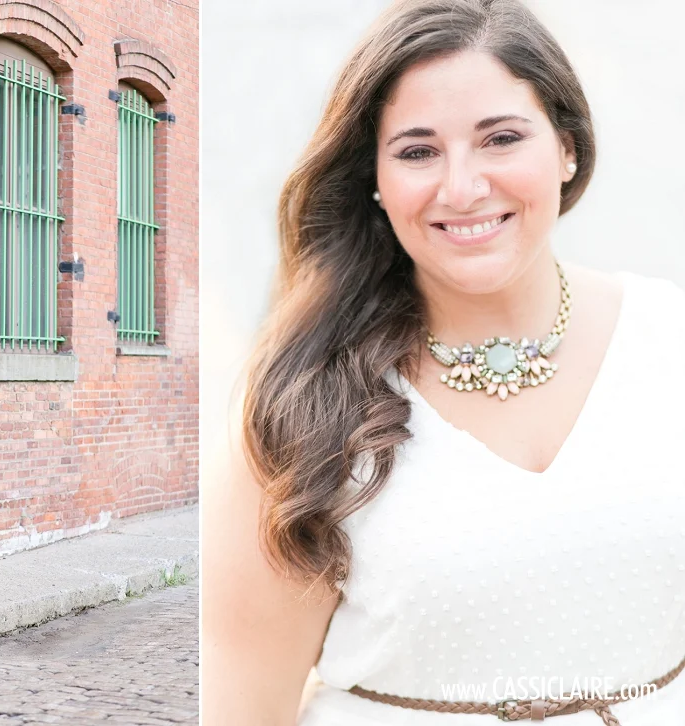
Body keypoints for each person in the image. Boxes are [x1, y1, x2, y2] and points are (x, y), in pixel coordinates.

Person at [201, 0, 685, 724]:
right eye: (418, 151)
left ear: (568, 148)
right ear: (375, 178)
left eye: (501, 139)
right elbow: (244, 705)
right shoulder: (302, 399)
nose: (462, 188)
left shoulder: (668, 338)